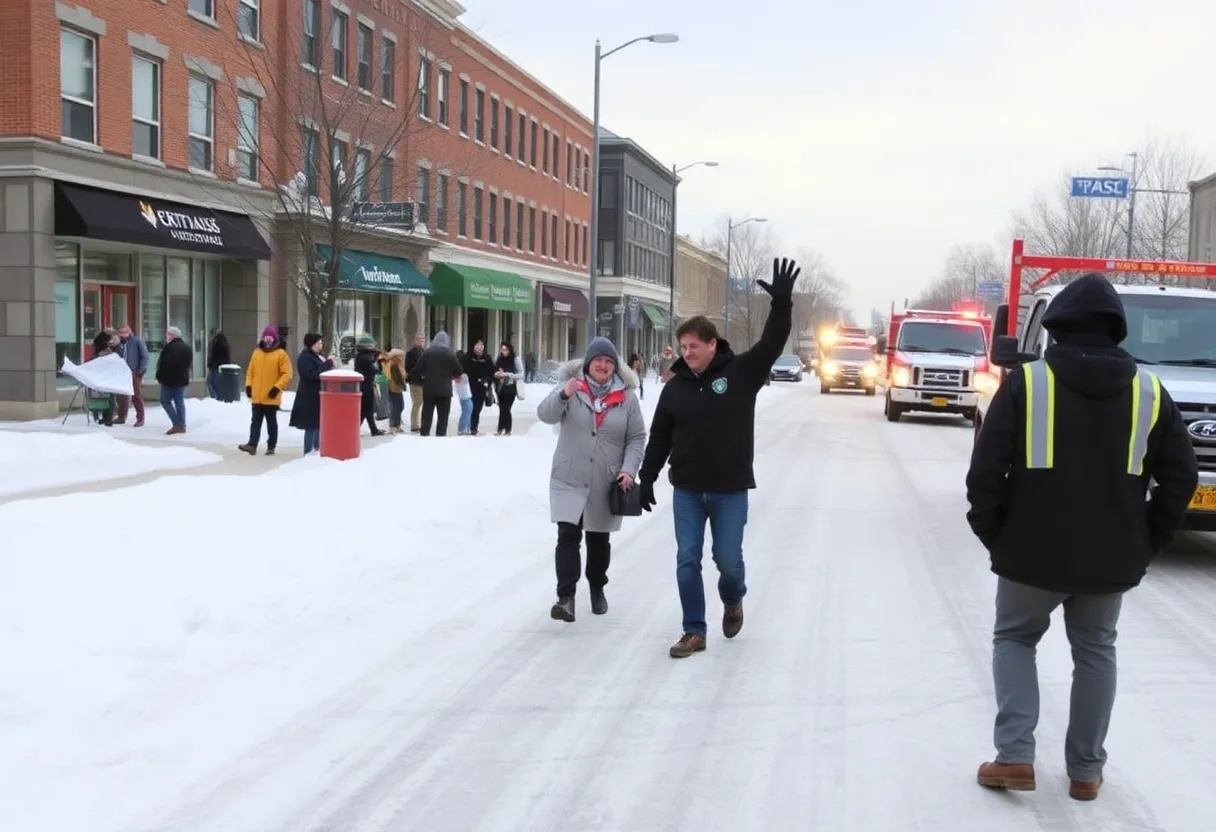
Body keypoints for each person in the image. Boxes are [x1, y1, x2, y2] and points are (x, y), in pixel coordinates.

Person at [966, 272, 1197, 801]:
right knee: (1096, 652)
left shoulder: (1027, 383)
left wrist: (997, 536)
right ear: (1116, 329)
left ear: (1058, 326)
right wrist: (1147, 541)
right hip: (1110, 558)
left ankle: (1015, 758)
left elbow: (984, 473)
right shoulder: (1148, 391)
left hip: (1029, 552)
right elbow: (1181, 478)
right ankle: (1086, 772)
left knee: (1015, 639)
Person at [638, 257, 800, 659]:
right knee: (686, 559)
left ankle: (733, 598)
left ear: (713, 344)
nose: (687, 353)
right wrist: (647, 477)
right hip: (688, 491)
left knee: (728, 561)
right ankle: (694, 630)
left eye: (694, 346)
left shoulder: (742, 373)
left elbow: (771, 343)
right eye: (683, 347)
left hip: (729, 490)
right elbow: (660, 437)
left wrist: (781, 305)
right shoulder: (675, 388)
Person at [537, 337, 647, 622]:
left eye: (609, 361)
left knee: (598, 541)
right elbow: (545, 414)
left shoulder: (626, 397)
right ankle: (566, 598)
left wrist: (628, 469)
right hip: (569, 476)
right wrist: (563, 394)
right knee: (567, 535)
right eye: (598, 360)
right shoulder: (572, 387)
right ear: (588, 363)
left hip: (605, 479)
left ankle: (597, 586)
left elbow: (636, 437)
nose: (603, 365)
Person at [239, 326, 293, 456]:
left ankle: (271, 446)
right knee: (255, 421)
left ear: (275, 339)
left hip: (271, 396)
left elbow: (287, 374)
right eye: (266, 337)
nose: (268, 340)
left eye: (270, 338)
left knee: (271, 422)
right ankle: (252, 445)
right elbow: (250, 372)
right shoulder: (256, 353)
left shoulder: (281, 354)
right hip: (257, 396)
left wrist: (277, 387)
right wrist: (248, 386)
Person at [289, 332, 334, 454]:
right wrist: (327, 364)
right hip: (309, 396)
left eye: (321, 343)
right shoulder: (305, 358)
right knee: (311, 425)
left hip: (318, 395)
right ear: (312, 344)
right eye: (318, 343)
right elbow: (311, 374)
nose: (321, 345)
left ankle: (317, 448)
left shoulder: (318, 356)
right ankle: (308, 450)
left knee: (318, 423)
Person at [413, 331, 463, 436]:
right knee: (443, 417)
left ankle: (425, 435)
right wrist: (450, 374)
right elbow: (459, 371)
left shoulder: (427, 352)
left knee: (427, 414)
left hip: (429, 389)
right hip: (445, 390)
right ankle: (440, 436)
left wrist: (421, 381)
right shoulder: (450, 354)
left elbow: (417, 370)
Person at [155, 326, 193, 435]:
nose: (166, 336)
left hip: (169, 380)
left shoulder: (170, 348)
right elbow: (188, 363)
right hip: (182, 379)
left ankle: (177, 424)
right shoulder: (186, 347)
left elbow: (166, 365)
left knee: (165, 401)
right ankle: (182, 424)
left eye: (168, 334)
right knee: (179, 402)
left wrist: (160, 376)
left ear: (172, 336)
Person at [115, 325, 148, 426]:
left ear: (129, 332)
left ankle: (140, 418)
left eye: (124, 332)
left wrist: (141, 369)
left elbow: (144, 356)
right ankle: (121, 417)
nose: (122, 334)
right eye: (120, 332)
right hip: (123, 372)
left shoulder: (136, 341)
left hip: (135, 371)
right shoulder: (120, 344)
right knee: (122, 395)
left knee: (135, 395)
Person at [353, 335, 385, 436]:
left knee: (366, 410)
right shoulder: (363, 357)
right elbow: (375, 370)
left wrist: (376, 357)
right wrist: (377, 359)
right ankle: (356, 429)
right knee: (367, 409)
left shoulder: (363, 356)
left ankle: (369, 429)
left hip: (366, 385)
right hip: (365, 386)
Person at [464, 339, 496, 435]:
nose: (480, 347)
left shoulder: (487, 359)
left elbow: (492, 372)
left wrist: (488, 380)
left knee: (478, 407)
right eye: (478, 345)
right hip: (470, 385)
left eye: (481, 346)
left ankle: (474, 427)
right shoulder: (468, 357)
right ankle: (469, 427)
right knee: (470, 407)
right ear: (474, 347)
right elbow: (463, 370)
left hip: (482, 386)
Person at [493, 341, 525, 436]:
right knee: (502, 408)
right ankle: (501, 429)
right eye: (502, 350)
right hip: (500, 387)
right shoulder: (499, 359)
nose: (504, 352)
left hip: (511, 388)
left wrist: (507, 374)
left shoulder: (515, 360)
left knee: (506, 408)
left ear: (510, 350)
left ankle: (507, 429)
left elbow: (521, 374)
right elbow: (494, 370)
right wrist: (496, 374)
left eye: (506, 350)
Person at [382, 348, 408, 434]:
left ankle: (396, 425)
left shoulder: (396, 364)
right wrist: (403, 383)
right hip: (394, 389)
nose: (402, 358)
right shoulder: (394, 365)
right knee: (396, 407)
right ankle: (394, 426)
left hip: (396, 388)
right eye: (401, 356)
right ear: (396, 357)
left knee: (399, 406)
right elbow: (399, 377)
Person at [405, 333, 426, 433]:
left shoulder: (423, 352)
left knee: (420, 403)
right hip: (415, 382)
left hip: (422, 382)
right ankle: (415, 425)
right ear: (415, 340)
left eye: (422, 339)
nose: (421, 341)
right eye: (419, 339)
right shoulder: (411, 353)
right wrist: (420, 374)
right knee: (417, 403)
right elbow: (409, 368)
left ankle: (419, 423)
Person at [206, 328, 231, 399]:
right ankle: (217, 397)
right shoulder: (222, 341)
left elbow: (214, 355)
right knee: (213, 383)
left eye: (211, 335)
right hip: (218, 366)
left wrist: (211, 364)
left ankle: (216, 398)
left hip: (216, 366)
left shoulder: (218, 342)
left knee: (211, 382)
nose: (211, 336)